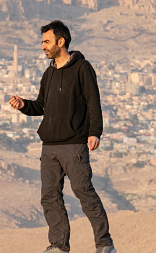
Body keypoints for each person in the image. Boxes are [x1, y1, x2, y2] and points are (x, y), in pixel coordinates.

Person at [9, 21, 116, 253]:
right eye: (42, 42)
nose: (42, 47)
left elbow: (93, 102)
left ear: (61, 41)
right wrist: (23, 105)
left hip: (75, 145)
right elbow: (41, 105)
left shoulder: (82, 68)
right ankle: (58, 246)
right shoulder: (48, 73)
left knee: (83, 191)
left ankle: (105, 243)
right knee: (49, 197)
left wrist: (95, 132)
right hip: (49, 147)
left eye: (46, 42)